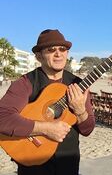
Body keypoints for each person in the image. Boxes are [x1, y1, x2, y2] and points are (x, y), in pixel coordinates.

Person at [0, 29, 95, 175]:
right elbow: (2, 117)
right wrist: (45, 128)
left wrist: (80, 110)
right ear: (39, 56)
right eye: (51, 50)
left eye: (63, 49)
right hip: (32, 165)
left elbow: (87, 130)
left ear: (67, 54)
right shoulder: (26, 83)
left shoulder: (78, 85)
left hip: (68, 164)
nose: (58, 53)